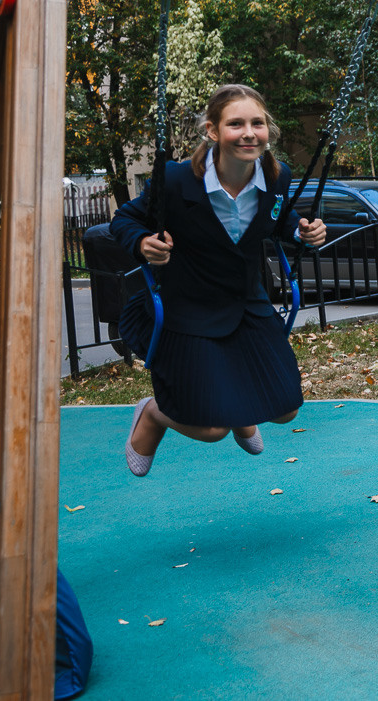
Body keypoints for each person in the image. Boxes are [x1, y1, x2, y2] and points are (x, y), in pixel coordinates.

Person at [111, 84, 326, 476]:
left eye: (257, 123)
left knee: (286, 408)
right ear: (212, 131)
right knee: (210, 430)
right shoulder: (177, 180)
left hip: (246, 302)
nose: (249, 133)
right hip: (189, 306)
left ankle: (241, 411)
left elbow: (277, 221)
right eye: (236, 124)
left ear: (267, 129)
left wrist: (302, 232)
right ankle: (153, 414)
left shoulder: (277, 177)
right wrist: (143, 243)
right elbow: (125, 219)